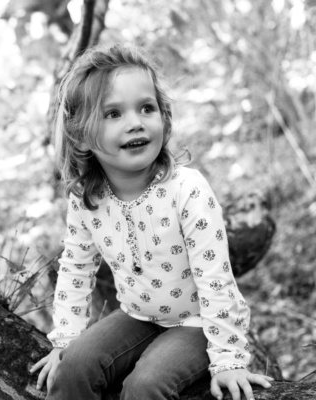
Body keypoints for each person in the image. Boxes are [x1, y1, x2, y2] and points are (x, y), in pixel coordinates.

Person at [30, 43, 273, 400]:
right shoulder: (87, 198)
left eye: (146, 108)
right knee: (74, 367)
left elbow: (217, 281)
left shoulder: (186, 189)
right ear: (81, 134)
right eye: (113, 114)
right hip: (138, 315)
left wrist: (228, 360)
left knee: (145, 386)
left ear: (164, 117)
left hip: (198, 322)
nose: (135, 123)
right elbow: (75, 269)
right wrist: (64, 340)